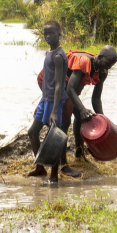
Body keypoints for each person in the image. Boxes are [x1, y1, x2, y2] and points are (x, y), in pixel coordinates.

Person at [27, 21, 69, 182]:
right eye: (45, 34)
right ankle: (40, 167)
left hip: (54, 102)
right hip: (45, 100)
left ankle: (54, 176)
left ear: (59, 34)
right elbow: (47, 82)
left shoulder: (59, 56)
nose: (48, 36)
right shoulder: (49, 53)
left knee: (54, 140)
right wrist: (41, 103)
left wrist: (54, 110)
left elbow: (59, 84)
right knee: (32, 132)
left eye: (51, 33)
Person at [65, 46, 117, 162]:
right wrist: (82, 109)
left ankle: (79, 156)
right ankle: (62, 162)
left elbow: (96, 98)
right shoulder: (85, 61)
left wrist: (103, 120)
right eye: (107, 63)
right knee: (66, 120)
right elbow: (69, 89)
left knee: (81, 117)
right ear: (100, 57)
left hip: (70, 89)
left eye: (111, 66)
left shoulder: (103, 72)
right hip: (57, 84)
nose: (108, 68)